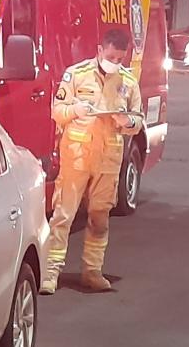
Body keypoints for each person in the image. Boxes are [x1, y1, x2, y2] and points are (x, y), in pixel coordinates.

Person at [41, 29, 144, 295]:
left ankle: (92, 272)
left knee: (100, 218)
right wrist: (74, 110)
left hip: (108, 161)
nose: (114, 62)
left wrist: (127, 121)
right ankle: (51, 272)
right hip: (76, 157)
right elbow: (57, 112)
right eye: (110, 56)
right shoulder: (76, 74)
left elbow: (138, 120)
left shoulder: (128, 82)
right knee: (63, 216)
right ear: (100, 50)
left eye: (119, 58)